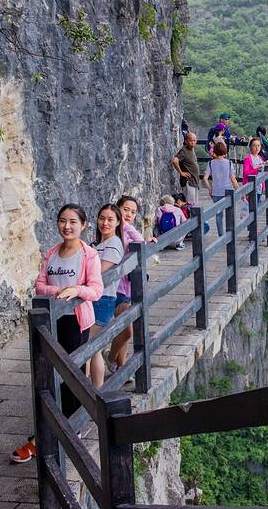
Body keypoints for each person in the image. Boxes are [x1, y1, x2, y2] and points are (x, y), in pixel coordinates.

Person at [10, 204, 103, 463]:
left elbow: (96, 289)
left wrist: (77, 290)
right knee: (50, 374)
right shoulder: (52, 253)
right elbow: (40, 285)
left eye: (73, 221)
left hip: (76, 321)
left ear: (83, 225)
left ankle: (69, 428)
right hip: (52, 320)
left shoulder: (89, 255)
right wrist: (60, 291)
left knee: (71, 373)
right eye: (63, 221)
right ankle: (51, 429)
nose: (67, 226)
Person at [104, 196, 156, 377]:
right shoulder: (115, 231)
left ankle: (122, 368)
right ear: (117, 209)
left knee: (124, 328)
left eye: (133, 212)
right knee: (127, 331)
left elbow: (139, 243)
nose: (129, 214)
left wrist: (147, 241)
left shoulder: (125, 231)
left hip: (128, 287)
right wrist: (124, 225)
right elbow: (137, 241)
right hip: (117, 288)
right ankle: (110, 358)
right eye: (125, 209)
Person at [89, 204, 125, 388]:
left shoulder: (114, 244)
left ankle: (91, 389)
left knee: (88, 347)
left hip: (102, 300)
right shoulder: (101, 244)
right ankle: (95, 389)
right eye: (102, 218)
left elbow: (98, 272)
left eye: (110, 219)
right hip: (98, 299)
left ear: (118, 222)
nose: (105, 223)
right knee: (92, 348)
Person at [203, 141, 238, 237]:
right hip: (228, 192)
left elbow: (205, 178)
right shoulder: (229, 163)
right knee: (230, 213)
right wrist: (238, 190)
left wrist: (210, 189)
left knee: (219, 214)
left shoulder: (210, 163)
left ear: (214, 151)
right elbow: (233, 179)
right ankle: (231, 234)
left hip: (216, 192)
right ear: (225, 151)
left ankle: (221, 236)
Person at [173, 132, 200, 206]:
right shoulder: (184, 150)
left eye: (194, 141)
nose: (193, 143)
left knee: (194, 204)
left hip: (194, 181)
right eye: (191, 141)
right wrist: (181, 172)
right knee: (189, 204)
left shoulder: (192, 149)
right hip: (188, 182)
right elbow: (175, 161)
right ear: (186, 141)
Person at [243, 137, 268, 208]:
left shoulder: (261, 158)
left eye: (258, 145)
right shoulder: (248, 159)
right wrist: (257, 169)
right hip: (250, 188)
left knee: (256, 209)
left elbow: (262, 173)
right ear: (250, 147)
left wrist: (267, 166)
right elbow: (246, 173)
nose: (257, 148)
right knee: (251, 209)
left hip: (259, 188)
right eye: (254, 145)